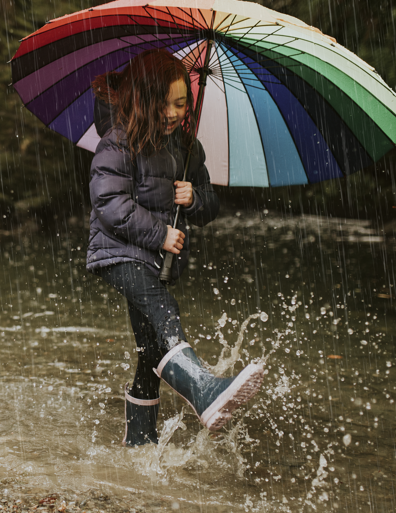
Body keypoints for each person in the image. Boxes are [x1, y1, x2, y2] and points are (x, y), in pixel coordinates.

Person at [86, 49, 264, 447]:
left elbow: (209, 205)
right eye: (164, 103)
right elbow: (110, 204)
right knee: (163, 310)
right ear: (144, 100)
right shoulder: (118, 142)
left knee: (150, 349)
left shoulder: (186, 147)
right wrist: (161, 234)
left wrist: (194, 198)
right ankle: (203, 389)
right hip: (118, 253)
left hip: (152, 258)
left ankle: (139, 444)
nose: (172, 112)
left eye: (181, 103)